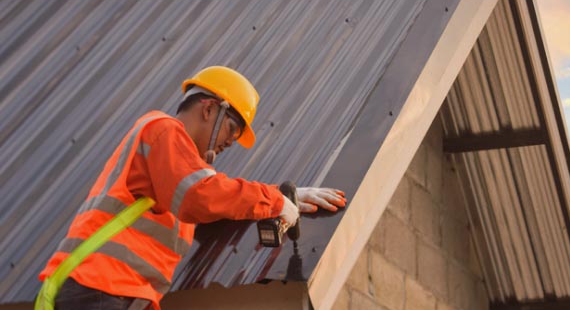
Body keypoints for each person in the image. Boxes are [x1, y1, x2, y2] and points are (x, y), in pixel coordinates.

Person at [39, 66, 346, 310]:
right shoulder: (162, 129)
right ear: (209, 108)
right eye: (231, 129)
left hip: (112, 290)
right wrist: (274, 200)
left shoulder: (174, 169)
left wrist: (282, 195)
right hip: (99, 285)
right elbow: (202, 195)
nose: (230, 142)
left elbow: (214, 196)